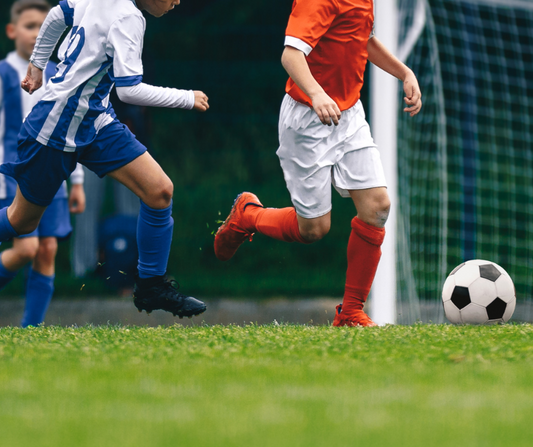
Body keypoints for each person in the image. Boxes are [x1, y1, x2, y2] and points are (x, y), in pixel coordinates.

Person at [214, 0, 422, 327]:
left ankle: (351, 312)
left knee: (378, 207)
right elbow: (291, 55)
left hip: (348, 115)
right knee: (313, 229)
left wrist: (404, 72)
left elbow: (362, 39)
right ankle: (248, 214)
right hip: (308, 121)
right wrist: (316, 93)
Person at [0, 0, 209, 318]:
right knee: (22, 220)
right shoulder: (128, 17)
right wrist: (186, 97)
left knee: (159, 190)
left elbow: (58, 15)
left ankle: (151, 287)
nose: (178, 1)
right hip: (56, 126)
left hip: (96, 119)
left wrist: (38, 64)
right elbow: (129, 91)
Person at [0, 0, 86, 327]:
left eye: (43, 26)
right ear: (12, 31)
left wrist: (75, 181)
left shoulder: (59, 74)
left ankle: (30, 330)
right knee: (25, 248)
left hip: (53, 173)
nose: (37, 34)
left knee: (47, 249)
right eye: (29, 26)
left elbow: (70, 128)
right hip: (13, 175)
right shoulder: (4, 72)